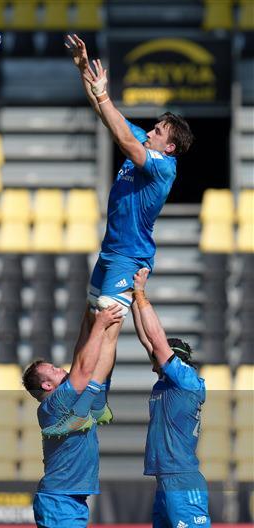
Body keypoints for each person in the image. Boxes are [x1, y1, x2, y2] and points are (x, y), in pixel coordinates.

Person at [65, 34, 195, 388]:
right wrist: (84, 73)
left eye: (156, 131)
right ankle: (73, 385)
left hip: (130, 255)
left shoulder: (163, 166)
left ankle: (93, 396)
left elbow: (123, 139)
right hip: (112, 250)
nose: (149, 132)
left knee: (108, 325)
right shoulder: (144, 144)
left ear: (169, 146)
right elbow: (107, 117)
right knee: (90, 320)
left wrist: (105, 94)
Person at [22, 305, 123, 528]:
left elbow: (99, 358)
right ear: (48, 386)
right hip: (59, 501)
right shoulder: (55, 404)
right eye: (55, 370)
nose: (62, 369)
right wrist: (99, 323)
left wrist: (105, 314)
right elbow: (84, 367)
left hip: (72, 499)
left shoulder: (72, 397)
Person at [132, 268, 213, 528]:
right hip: (166, 483)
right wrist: (132, 297)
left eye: (159, 357)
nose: (153, 361)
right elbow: (147, 340)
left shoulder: (186, 379)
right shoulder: (167, 381)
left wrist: (142, 293)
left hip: (182, 479)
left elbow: (155, 340)